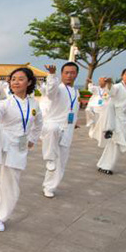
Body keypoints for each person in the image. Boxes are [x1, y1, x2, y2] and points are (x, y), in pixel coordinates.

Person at [0, 67, 42, 232]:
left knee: (11, 184)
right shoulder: (5, 102)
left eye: (20, 79)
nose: (15, 82)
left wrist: (32, 140)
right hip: (3, 140)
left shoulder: (34, 104)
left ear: (29, 82)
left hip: (19, 144)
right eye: (13, 79)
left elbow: (38, 124)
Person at [39, 62, 79, 198]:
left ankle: (49, 186)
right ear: (61, 74)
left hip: (67, 129)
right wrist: (51, 75)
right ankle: (49, 157)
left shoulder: (76, 92)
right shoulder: (58, 89)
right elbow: (50, 93)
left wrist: (74, 122)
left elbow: (73, 109)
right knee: (52, 128)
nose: (69, 75)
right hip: (53, 126)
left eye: (72, 73)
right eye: (66, 72)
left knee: (61, 162)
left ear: (76, 74)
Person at [92, 67, 126, 175]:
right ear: (122, 75)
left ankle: (103, 165)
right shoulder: (117, 86)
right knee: (117, 142)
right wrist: (109, 84)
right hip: (115, 117)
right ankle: (108, 166)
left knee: (114, 143)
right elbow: (110, 92)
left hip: (124, 119)